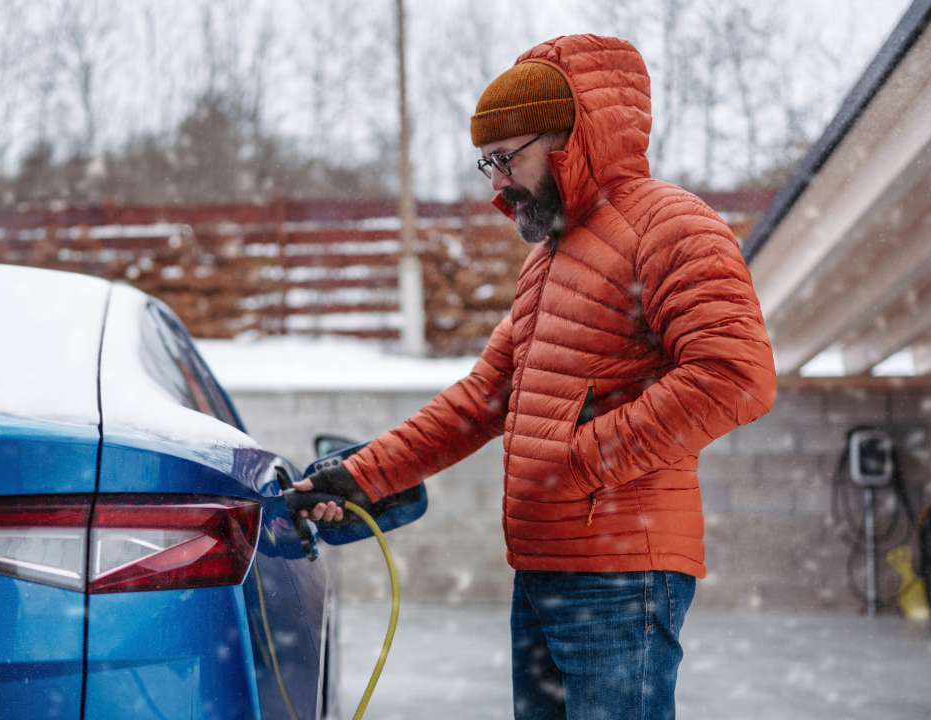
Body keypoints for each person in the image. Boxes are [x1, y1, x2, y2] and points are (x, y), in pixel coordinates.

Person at [294, 34, 776, 720]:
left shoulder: (672, 226)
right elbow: (481, 400)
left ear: (570, 138)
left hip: (622, 576)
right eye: (486, 163)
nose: (495, 182)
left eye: (505, 158)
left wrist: (581, 457)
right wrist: (363, 475)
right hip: (545, 567)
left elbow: (736, 376)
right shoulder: (550, 258)